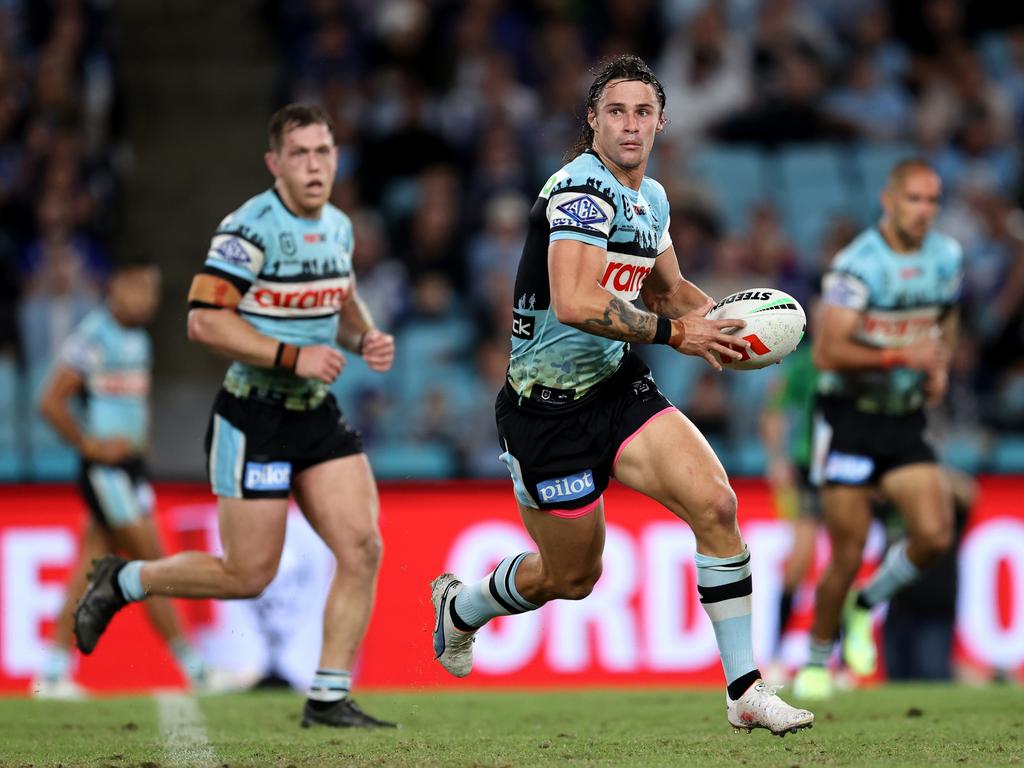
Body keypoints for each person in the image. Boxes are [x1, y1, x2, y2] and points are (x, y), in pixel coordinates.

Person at [430, 55, 813, 736]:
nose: (630, 124)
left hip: (617, 387)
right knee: (572, 578)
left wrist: (730, 326)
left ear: (662, 120)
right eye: (616, 111)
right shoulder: (579, 192)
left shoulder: (653, 199)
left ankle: (745, 688)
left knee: (716, 503)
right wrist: (677, 334)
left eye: (642, 111)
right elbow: (577, 302)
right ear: (592, 121)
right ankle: (464, 608)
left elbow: (668, 290)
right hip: (544, 412)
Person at [74, 105, 397, 728]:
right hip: (254, 415)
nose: (314, 165)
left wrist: (365, 338)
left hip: (314, 415)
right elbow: (203, 320)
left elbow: (342, 294)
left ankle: (327, 696)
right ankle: (125, 581)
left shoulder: (337, 226)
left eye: (323, 152)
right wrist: (289, 353)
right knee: (248, 574)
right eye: (299, 154)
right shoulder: (249, 229)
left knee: (362, 546)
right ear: (274, 163)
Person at [792, 159, 962, 700]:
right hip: (850, 420)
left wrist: (939, 365)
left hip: (904, 418)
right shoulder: (856, 266)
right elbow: (826, 350)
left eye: (933, 200)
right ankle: (817, 661)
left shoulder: (947, 257)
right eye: (914, 199)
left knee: (934, 536)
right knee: (846, 551)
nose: (924, 211)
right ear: (888, 201)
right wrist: (899, 356)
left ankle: (866, 602)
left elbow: (947, 317)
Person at [33, 260, 207, 697]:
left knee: (87, 572)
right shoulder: (94, 337)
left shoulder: (138, 340)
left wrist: (139, 438)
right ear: (116, 286)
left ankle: (53, 672)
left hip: (129, 468)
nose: (148, 299)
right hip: (107, 472)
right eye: (140, 288)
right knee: (153, 561)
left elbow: (133, 403)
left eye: (153, 290)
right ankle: (196, 669)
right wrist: (89, 444)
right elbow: (51, 401)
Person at [758, 336, 821, 676]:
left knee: (845, 560)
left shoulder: (862, 358)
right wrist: (777, 458)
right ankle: (777, 654)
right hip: (809, 467)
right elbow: (775, 409)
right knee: (801, 560)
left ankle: (833, 658)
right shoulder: (806, 363)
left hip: (852, 466)